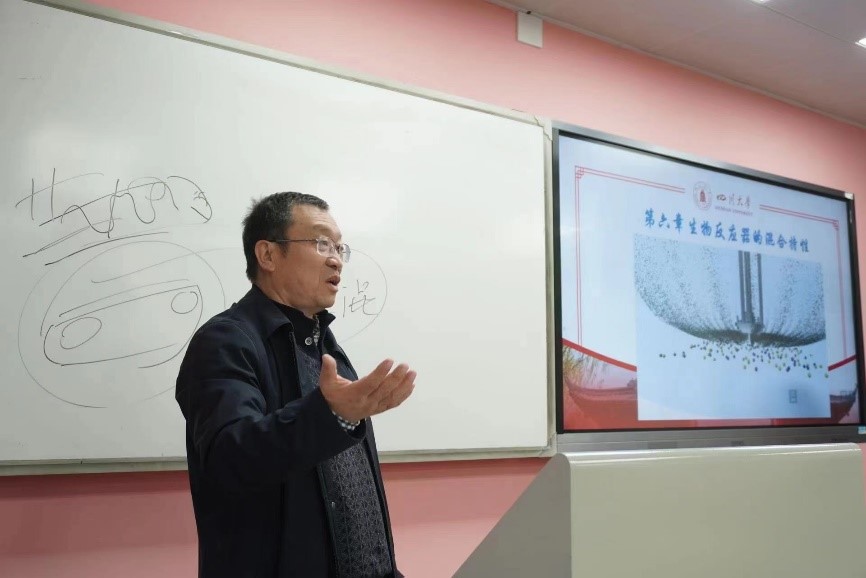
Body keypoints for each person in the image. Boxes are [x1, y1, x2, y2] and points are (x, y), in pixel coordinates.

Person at [176, 191, 416, 578]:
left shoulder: (327, 348)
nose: (336, 259)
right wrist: (330, 414)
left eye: (339, 247)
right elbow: (229, 459)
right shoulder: (225, 341)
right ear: (268, 255)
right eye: (321, 243)